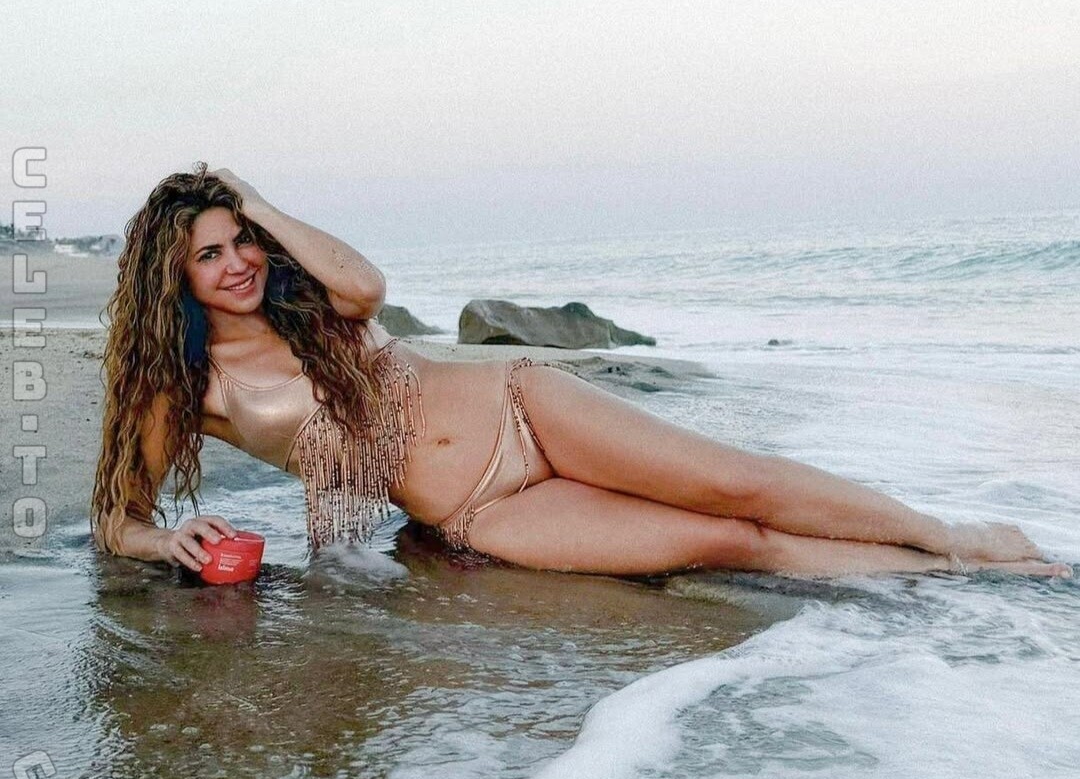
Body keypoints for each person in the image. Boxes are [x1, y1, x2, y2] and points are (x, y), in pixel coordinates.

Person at [92, 166, 1069, 582]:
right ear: (172, 278)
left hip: (526, 406)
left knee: (741, 482)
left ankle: (953, 538)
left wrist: (255, 199)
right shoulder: (186, 390)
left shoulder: (309, 294)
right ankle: (943, 582)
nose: (238, 262)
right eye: (210, 254)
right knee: (728, 542)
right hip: (483, 511)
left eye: (241, 240)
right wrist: (166, 539)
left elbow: (368, 286)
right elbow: (116, 515)